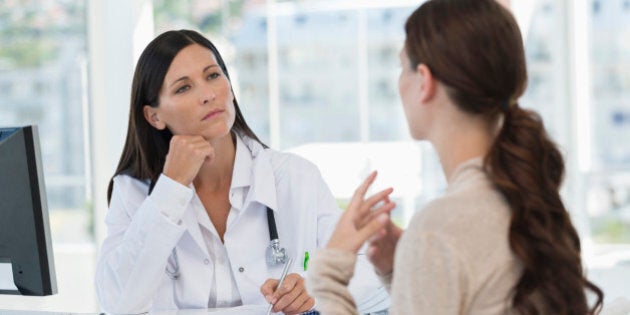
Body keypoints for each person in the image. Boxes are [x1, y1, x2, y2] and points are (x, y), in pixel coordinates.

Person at [307, 0, 605, 314]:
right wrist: (407, 271)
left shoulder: (439, 229)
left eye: (401, 67)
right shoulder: (534, 204)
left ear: (424, 81)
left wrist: (329, 274)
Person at [94, 29, 388, 314]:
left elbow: (370, 270)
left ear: (230, 86)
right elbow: (118, 303)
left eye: (213, 75)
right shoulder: (133, 192)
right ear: (154, 116)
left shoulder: (294, 177)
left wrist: (316, 287)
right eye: (184, 87)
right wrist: (171, 187)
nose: (208, 94)